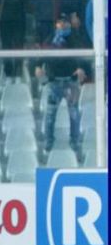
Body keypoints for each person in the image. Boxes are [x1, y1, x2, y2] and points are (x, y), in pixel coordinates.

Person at [35, 12, 91, 154]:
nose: (62, 24)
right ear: (56, 24)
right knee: (50, 115)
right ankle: (48, 142)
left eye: (64, 22)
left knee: (74, 114)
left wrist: (81, 69)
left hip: (70, 82)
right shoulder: (50, 39)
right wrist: (37, 66)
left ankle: (74, 142)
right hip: (54, 82)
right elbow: (42, 53)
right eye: (59, 22)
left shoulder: (75, 38)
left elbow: (83, 56)